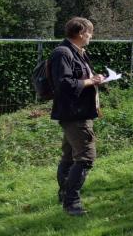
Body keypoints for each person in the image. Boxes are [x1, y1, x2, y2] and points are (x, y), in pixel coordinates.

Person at [51, 17, 106, 216]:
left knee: (68, 156)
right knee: (86, 157)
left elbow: (80, 78)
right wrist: (91, 81)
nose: (91, 36)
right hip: (74, 114)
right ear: (82, 32)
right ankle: (71, 202)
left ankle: (64, 194)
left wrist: (95, 79)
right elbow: (65, 84)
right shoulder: (62, 53)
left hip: (78, 111)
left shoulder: (77, 52)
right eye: (90, 32)